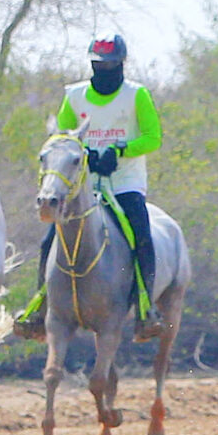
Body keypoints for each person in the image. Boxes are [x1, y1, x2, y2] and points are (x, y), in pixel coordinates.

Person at [22, 33, 163, 339]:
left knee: (141, 235)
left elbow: (154, 137)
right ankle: (38, 308)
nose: (104, 68)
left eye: (110, 63)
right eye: (98, 63)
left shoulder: (136, 95)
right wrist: (84, 155)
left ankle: (145, 307)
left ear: (121, 63)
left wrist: (120, 149)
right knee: (50, 240)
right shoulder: (74, 96)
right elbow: (62, 137)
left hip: (124, 182)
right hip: (82, 184)